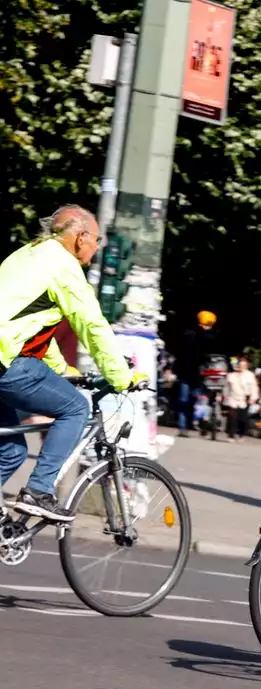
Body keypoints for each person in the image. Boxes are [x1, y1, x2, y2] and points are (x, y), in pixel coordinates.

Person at [0, 205, 146, 520]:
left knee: (11, 452)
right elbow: (92, 325)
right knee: (75, 408)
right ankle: (39, 492)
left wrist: (63, 370)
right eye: (96, 240)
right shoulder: (63, 265)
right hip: (7, 363)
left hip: (7, 354)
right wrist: (120, 377)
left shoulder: (27, 253)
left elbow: (29, 324)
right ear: (80, 237)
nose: (97, 247)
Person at [173, 310, 218, 437]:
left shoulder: (195, 335)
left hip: (191, 374)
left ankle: (188, 425)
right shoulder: (194, 335)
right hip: (194, 374)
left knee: (188, 401)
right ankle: (186, 426)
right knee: (191, 401)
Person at [224, 358, 259, 442]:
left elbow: (254, 387)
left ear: (247, 366)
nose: (241, 367)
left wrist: (253, 398)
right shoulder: (231, 375)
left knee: (242, 419)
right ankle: (231, 435)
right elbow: (226, 387)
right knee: (232, 417)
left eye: (244, 365)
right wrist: (224, 396)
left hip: (244, 399)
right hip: (233, 398)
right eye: (240, 365)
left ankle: (242, 434)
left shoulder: (250, 375)